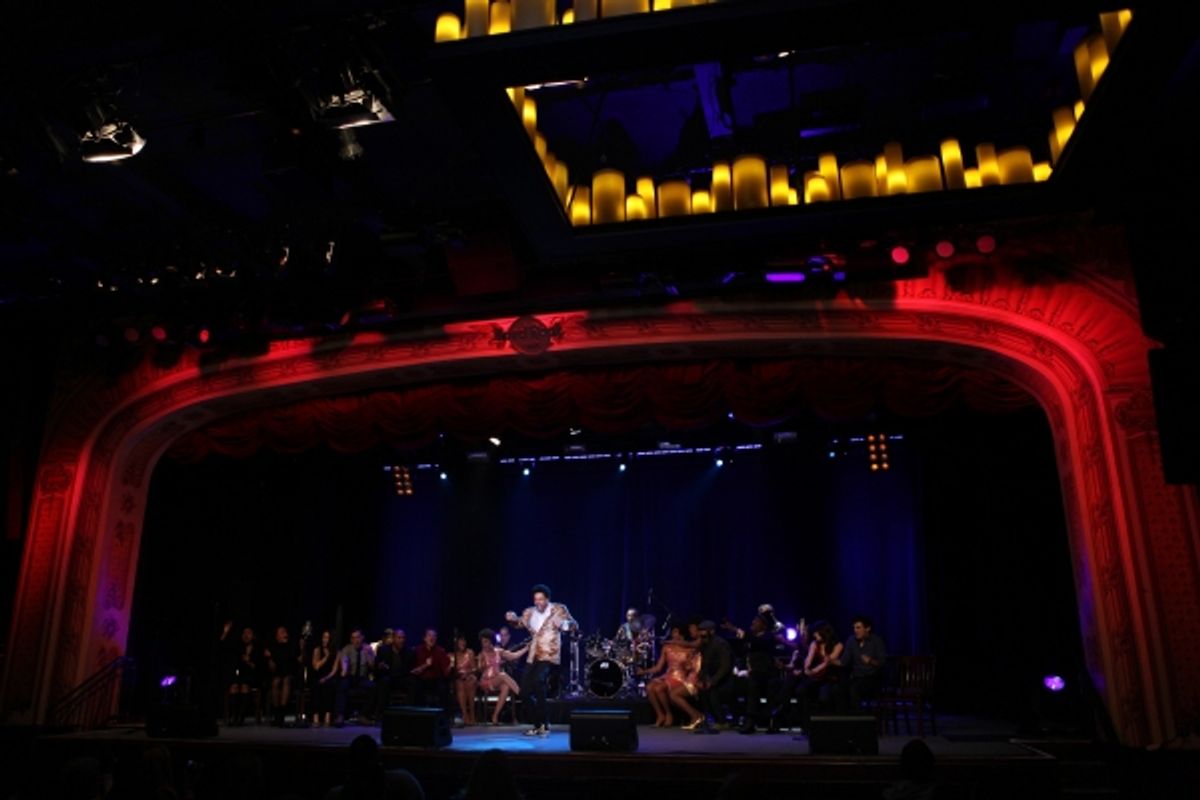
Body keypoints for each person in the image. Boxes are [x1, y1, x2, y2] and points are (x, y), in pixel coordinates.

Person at [505, 583, 577, 736]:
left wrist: (565, 624)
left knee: (539, 681)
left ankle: (544, 724)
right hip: (533, 655)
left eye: (541, 599)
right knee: (523, 692)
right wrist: (511, 619)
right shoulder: (529, 612)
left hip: (550, 654)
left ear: (548, 599)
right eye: (536, 600)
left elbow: (574, 625)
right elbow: (518, 623)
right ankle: (538, 724)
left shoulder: (559, 609)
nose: (538, 602)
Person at [637, 624, 703, 728]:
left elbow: (692, 667)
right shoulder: (667, 648)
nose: (673, 634)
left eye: (676, 632)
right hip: (668, 675)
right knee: (649, 687)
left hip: (681, 677)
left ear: (682, 634)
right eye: (673, 632)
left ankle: (669, 714)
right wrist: (644, 671)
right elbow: (658, 667)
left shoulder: (690, 649)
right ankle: (660, 715)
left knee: (659, 688)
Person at [477, 628, 526, 725]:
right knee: (503, 675)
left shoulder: (498, 651)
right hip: (486, 681)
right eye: (482, 642)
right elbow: (479, 669)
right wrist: (481, 665)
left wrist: (526, 648)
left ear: (491, 641)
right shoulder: (482, 654)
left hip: (497, 680)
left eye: (486, 642)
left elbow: (514, 656)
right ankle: (522, 695)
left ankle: (495, 715)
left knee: (506, 687)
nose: (484, 644)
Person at [693, 620, 733, 733]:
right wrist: (700, 679)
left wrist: (712, 681)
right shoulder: (705, 645)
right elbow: (704, 664)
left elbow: (725, 666)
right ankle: (711, 720)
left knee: (712, 691)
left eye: (704, 631)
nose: (702, 635)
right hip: (711, 677)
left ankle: (722, 721)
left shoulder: (721, 644)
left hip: (725, 679)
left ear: (711, 631)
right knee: (701, 691)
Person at [842, 615, 887, 710]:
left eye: (858, 627)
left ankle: (859, 719)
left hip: (872, 678)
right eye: (854, 628)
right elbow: (844, 662)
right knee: (837, 689)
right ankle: (843, 719)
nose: (855, 630)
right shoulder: (851, 640)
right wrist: (830, 661)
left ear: (868, 628)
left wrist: (870, 660)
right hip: (856, 677)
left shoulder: (876, 641)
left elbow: (882, 663)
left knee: (854, 689)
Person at [334, 628, 376, 727]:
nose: (356, 640)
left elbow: (373, 666)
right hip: (350, 676)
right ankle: (340, 715)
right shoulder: (347, 649)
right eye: (353, 638)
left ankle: (363, 715)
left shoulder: (368, 648)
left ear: (362, 638)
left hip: (362, 677)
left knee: (373, 687)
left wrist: (368, 656)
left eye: (358, 637)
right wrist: (344, 668)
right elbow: (344, 661)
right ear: (351, 640)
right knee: (342, 684)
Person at [225, 625, 262, 726]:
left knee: (245, 687)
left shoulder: (257, 648)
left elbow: (258, 667)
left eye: (249, 633)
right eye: (244, 633)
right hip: (238, 675)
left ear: (253, 636)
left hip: (251, 676)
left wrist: (249, 660)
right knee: (234, 687)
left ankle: (240, 718)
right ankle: (233, 717)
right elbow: (233, 662)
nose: (246, 635)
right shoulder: (238, 646)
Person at [266, 625, 300, 726]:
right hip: (278, 674)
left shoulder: (292, 645)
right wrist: (270, 659)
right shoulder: (273, 647)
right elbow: (273, 665)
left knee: (286, 680)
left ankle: (281, 714)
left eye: (285, 631)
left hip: (290, 674)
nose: (284, 633)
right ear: (277, 637)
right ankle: (277, 714)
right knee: (276, 681)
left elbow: (294, 662)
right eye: (281, 632)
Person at [375, 627, 414, 711]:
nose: (401, 640)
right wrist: (380, 666)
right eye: (399, 638)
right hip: (389, 678)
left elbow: (409, 669)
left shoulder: (408, 652)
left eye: (403, 638)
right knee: (384, 681)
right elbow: (377, 666)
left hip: (402, 679)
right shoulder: (383, 650)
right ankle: (382, 713)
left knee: (413, 682)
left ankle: (410, 712)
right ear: (393, 638)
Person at [412, 628, 452, 708]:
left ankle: (443, 716)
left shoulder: (440, 651)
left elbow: (446, 673)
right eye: (429, 635)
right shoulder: (417, 650)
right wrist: (425, 665)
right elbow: (413, 671)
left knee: (444, 688)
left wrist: (451, 665)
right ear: (424, 638)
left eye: (434, 636)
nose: (432, 638)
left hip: (436, 680)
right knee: (415, 686)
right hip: (421, 679)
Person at [311, 630, 338, 727]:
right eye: (324, 637)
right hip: (318, 675)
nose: (325, 640)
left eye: (327, 638)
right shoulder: (317, 650)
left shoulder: (336, 652)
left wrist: (326, 678)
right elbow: (316, 667)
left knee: (330, 685)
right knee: (316, 685)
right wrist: (326, 657)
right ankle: (316, 716)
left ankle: (328, 716)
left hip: (329, 676)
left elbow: (334, 670)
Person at [452, 633, 479, 726]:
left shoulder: (470, 652)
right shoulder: (452, 655)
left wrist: (468, 673)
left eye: (464, 641)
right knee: (460, 684)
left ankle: (472, 714)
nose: (463, 643)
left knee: (471, 681)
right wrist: (459, 674)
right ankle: (465, 715)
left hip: (469, 676)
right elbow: (452, 671)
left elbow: (475, 668)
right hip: (459, 678)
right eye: (460, 641)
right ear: (456, 643)